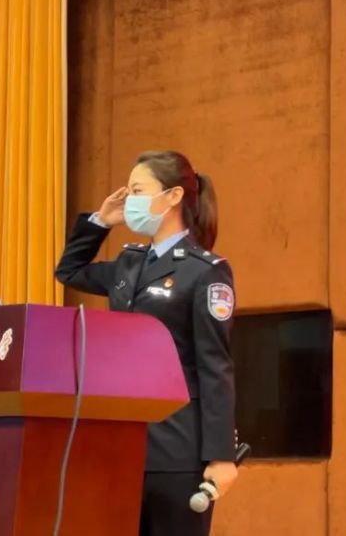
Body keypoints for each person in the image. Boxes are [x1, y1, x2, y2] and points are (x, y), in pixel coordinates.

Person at [55, 150, 238, 536]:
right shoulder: (130, 263)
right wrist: (100, 221)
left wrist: (221, 456)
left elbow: (214, 366)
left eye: (138, 191)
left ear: (173, 196)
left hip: (178, 448)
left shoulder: (205, 272)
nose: (130, 201)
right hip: (124, 444)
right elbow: (68, 271)